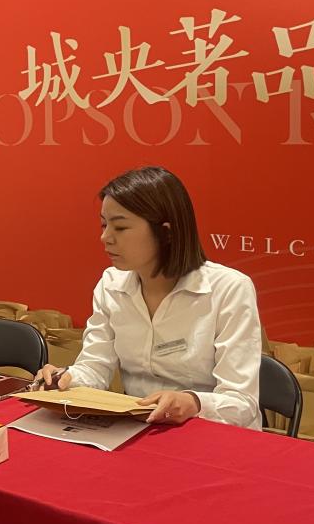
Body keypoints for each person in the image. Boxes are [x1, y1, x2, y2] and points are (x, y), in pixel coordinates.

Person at [35, 165, 262, 429]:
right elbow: (95, 367)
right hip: (140, 427)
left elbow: (242, 403)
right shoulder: (111, 285)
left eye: (120, 227)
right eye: (104, 224)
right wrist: (66, 378)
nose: (105, 237)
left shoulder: (229, 289)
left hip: (210, 432)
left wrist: (194, 402)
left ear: (166, 232)